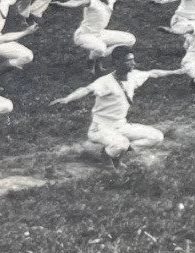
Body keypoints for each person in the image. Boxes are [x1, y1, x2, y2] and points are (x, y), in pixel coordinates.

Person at [50, 45, 185, 164]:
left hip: (120, 125)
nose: (134, 63)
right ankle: (105, 158)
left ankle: (113, 154)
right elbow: (86, 89)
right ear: (117, 62)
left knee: (156, 137)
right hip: (100, 128)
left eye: (133, 59)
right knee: (122, 144)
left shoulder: (133, 76)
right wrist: (68, 99)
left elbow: (152, 73)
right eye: (129, 61)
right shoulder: (105, 82)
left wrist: (175, 72)